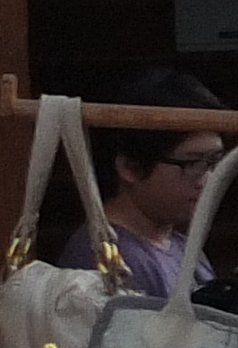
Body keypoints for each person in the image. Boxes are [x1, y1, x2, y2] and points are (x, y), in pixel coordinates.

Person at [68, 67, 227, 299]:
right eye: (192, 163)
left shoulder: (177, 243)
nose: (208, 179)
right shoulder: (104, 257)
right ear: (130, 167)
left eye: (214, 161)